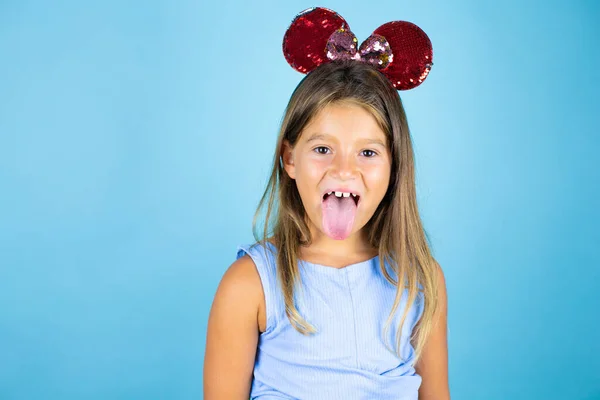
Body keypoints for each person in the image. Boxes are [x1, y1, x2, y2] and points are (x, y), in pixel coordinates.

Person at [204, 7, 449, 400]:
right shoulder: (250, 285)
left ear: (394, 165)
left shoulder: (419, 280)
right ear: (289, 159)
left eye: (367, 153)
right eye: (322, 148)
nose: (344, 170)